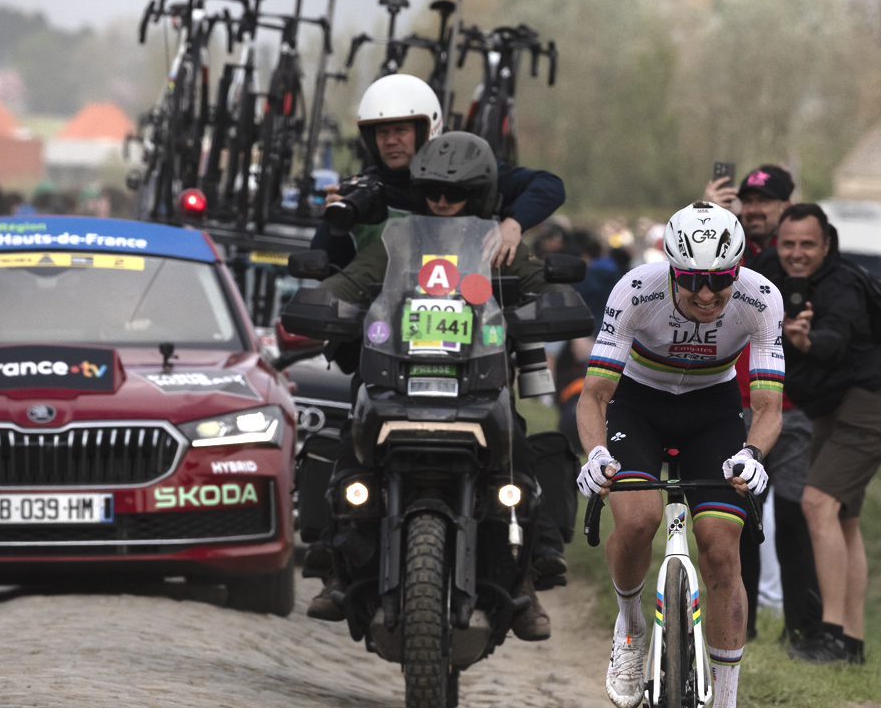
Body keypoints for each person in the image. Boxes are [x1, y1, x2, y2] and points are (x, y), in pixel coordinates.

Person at [311, 131, 565, 641]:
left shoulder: (499, 245)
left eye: (457, 194)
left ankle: (528, 576)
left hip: (477, 386)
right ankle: (334, 560)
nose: (443, 202)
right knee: (349, 442)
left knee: (520, 449)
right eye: (432, 192)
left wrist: (555, 303)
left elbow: (549, 290)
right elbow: (350, 282)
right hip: (397, 383)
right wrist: (324, 302)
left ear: (481, 194)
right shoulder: (397, 242)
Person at [575, 201, 784, 708]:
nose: (708, 294)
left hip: (712, 410)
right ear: (671, 267)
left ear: (737, 270)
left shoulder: (760, 298)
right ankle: (630, 627)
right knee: (638, 519)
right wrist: (595, 453)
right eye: (692, 281)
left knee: (719, 545)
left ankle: (727, 699)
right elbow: (594, 396)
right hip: (638, 405)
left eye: (721, 279)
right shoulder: (636, 289)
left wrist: (753, 454)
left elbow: (768, 404)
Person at [755, 203, 880, 665]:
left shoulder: (842, 284)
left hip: (868, 402)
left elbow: (836, 336)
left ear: (827, 245)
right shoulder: (775, 272)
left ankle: (830, 634)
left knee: (817, 503)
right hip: (833, 404)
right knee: (843, 519)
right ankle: (851, 641)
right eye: (788, 243)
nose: (796, 253)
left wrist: (807, 341)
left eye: (808, 244)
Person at [706, 164, 819, 643]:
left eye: (764, 203)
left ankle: (804, 631)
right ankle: (743, 628)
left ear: (786, 206)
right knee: (741, 514)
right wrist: (710, 214)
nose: (753, 210)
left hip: (795, 405)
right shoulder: (729, 252)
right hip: (738, 401)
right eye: (747, 203)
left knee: (795, 517)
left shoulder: (796, 254)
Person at [313, 74, 566, 270]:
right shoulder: (363, 192)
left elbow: (549, 185)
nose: (390, 141)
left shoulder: (470, 170)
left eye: (401, 130)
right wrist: (337, 220)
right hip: (381, 328)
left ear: (427, 128)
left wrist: (514, 223)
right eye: (382, 133)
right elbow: (323, 264)